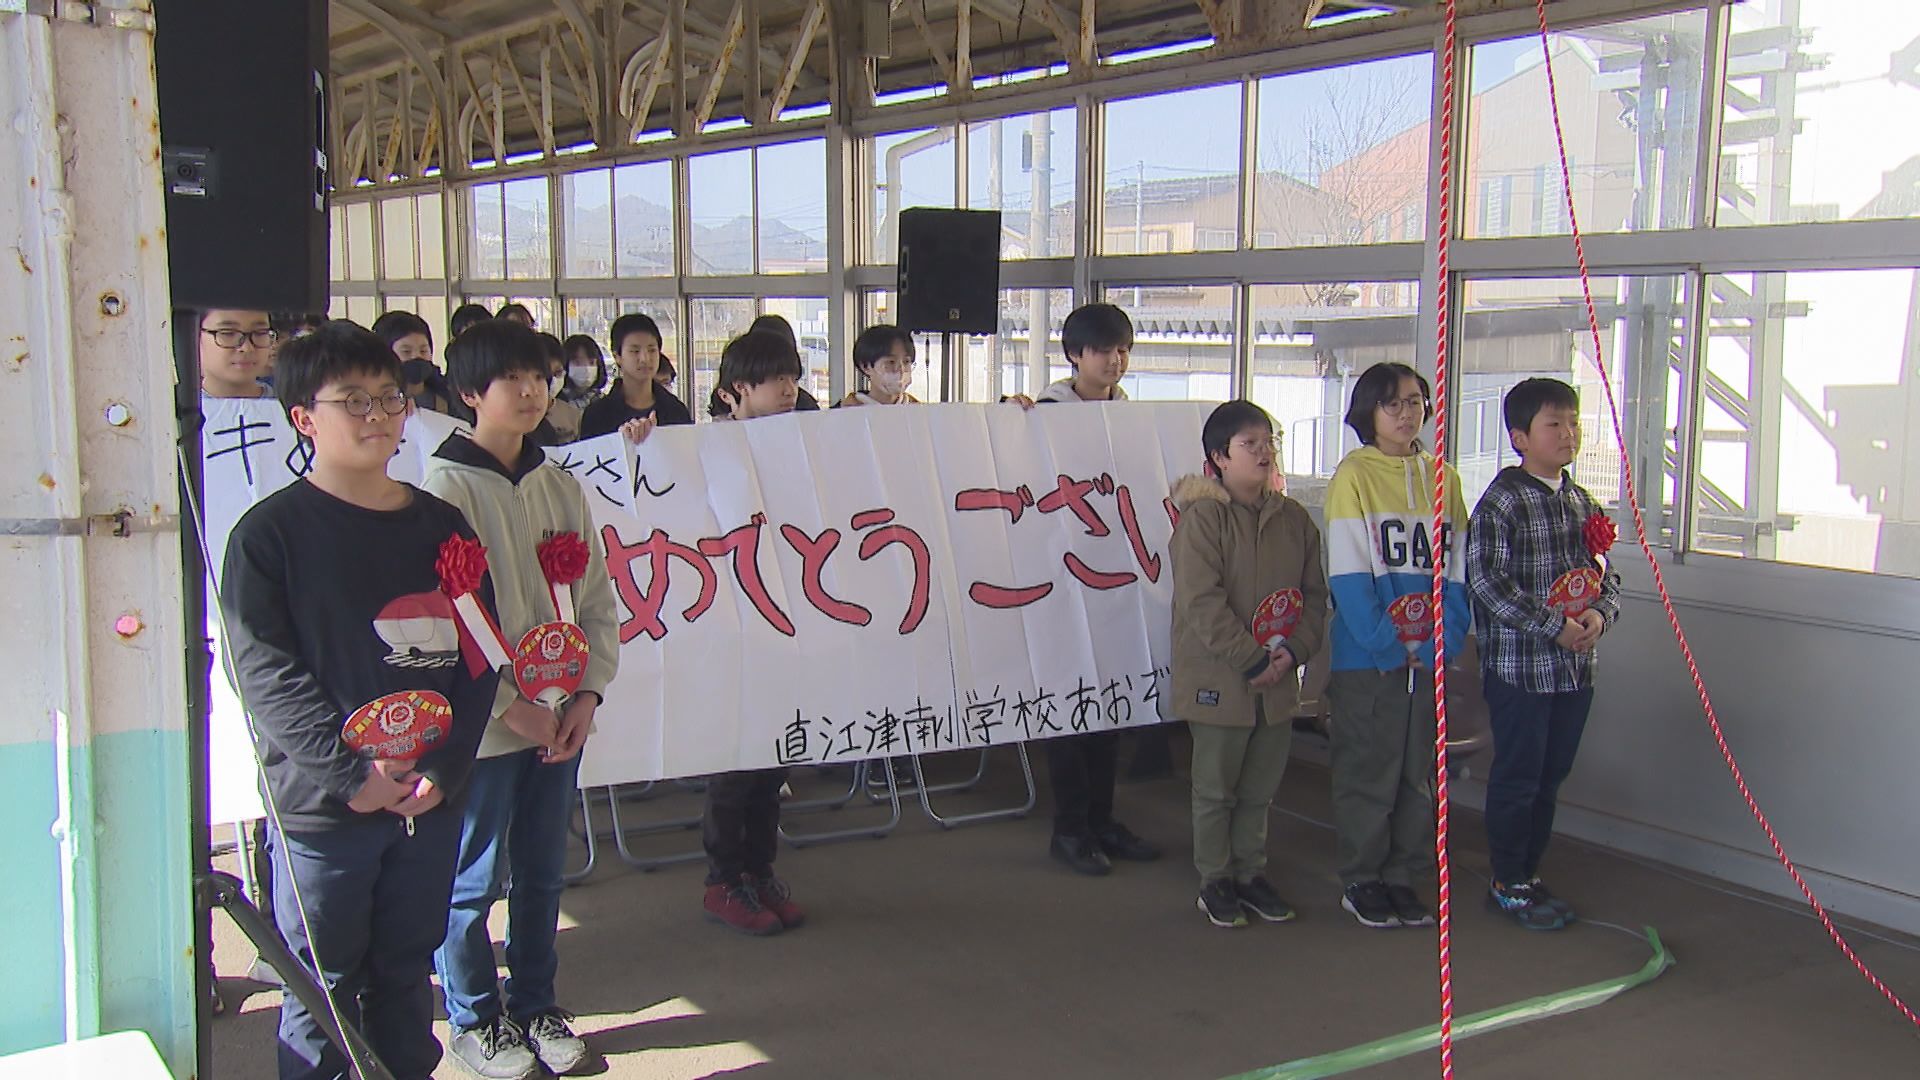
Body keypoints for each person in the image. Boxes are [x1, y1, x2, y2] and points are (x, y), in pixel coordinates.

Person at [221, 321, 499, 1080]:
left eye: (389, 398)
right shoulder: (269, 536)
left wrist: (444, 768)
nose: (378, 415)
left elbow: (481, 657)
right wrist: (353, 777)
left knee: (406, 973)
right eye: (353, 401)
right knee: (322, 988)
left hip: (426, 800)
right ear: (303, 418)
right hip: (324, 810)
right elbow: (264, 675)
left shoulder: (441, 524)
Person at [425, 319, 621, 1078]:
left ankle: (537, 1003)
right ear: (470, 393)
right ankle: (474, 1017)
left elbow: (596, 599)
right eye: (513, 378)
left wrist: (587, 693)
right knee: (472, 878)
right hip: (488, 728)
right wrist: (509, 705)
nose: (533, 390)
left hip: (560, 718)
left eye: (540, 376)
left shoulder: (558, 483)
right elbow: (443, 620)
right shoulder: (442, 492)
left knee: (542, 870)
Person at [1466, 377, 1620, 931]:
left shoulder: (1581, 502)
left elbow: (1606, 577)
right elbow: (1486, 581)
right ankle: (1507, 880)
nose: (1568, 434)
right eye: (1554, 424)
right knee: (1519, 776)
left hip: (1576, 669)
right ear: (1520, 437)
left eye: (1573, 422)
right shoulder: (1502, 501)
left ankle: (1528, 874)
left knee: (1552, 774)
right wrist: (1554, 627)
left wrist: (1599, 615)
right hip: (1521, 670)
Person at [1169, 401, 1328, 927]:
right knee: (1216, 788)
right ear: (1219, 457)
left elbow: (1314, 595)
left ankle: (1250, 872)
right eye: (1249, 444)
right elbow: (1201, 603)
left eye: (1269, 442)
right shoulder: (1203, 520)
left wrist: (1294, 652)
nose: (1264, 452)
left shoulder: (1295, 519)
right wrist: (1252, 658)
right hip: (1221, 676)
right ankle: (1215, 879)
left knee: (1260, 788)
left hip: (1278, 677)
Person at [1323, 362, 1469, 929]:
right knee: (1368, 768)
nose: (1406, 414)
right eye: (1392, 404)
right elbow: (1348, 575)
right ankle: (1361, 878)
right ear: (1369, 412)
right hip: (1369, 659)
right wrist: (1388, 645)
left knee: (1418, 771)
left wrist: (1441, 643)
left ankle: (1403, 875)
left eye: (1415, 401)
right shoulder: (1353, 476)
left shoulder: (1445, 479)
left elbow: (1456, 570)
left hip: (1427, 659)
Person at [1031, 302, 1162, 874]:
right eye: (1104, 350)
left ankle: (1103, 819)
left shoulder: (1130, 415)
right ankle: (1070, 828)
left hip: (1114, 578)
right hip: (1061, 579)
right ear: (1074, 355)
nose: (1115, 360)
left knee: (1110, 704)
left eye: (1123, 350)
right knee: (1069, 707)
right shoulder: (1045, 412)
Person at [698, 330, 808, 936]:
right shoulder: (704, 446)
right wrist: (639, 442)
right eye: (774, 379)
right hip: (728, 625)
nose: (789, 389)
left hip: (788, 619)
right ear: (737, 389)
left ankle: (760, 871)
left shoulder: (806, 440)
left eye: (792, 377)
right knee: (734, 761)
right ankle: (724, 880)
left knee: (774, 758)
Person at [579, 313, 694, 438]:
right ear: (617, 356)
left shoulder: (676, 410)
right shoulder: (597, 415)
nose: (645, 358)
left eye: (652, 350)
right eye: (635, 351)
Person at [373, 310, 463, 419]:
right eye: (406, 352)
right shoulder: (372, 404)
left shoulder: (450, 399)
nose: (416, 357)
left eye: (423, 351)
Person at [198, 309, 278, 399]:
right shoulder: (185, 404)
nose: (247, 348)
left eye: (260, 333)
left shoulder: (285, 404)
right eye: (228, 333)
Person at [835, 324, 920, 407]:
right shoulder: (842, 412)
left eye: (906, 361)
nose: (901, 370)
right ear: (866, 367)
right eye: (891, 362)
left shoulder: (920, 411)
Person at [535, 332, 582, 444]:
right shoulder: (521, 416)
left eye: (558, 372)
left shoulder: (573, 415)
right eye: (545, 375)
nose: (552, 381)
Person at [560, 334, 606, 409]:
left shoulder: (605, 404)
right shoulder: (556, 405)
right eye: (577, 362)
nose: (587, 368)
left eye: (591, 362)